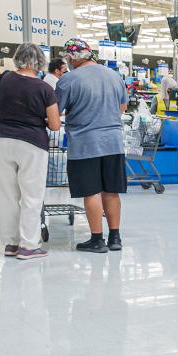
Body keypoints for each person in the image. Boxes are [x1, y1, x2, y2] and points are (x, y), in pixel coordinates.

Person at [55, 38, 129, 253]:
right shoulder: (114, 75)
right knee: (111, 191)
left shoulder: (69, 80)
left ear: (71, 57)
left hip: (85, 143)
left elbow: (56, 111)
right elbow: (122, 107)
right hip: (113, 142)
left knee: (92, 192)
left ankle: (97, 239)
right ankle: (115, 238)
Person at [0, 44, 61, 260]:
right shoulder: (44, 89)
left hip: (0, 139)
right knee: (31, 195)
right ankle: (28, 245)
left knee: (6, 195)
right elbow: (55, 125)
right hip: (32, 144)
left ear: (18, 59)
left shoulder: (3, 79)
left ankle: (11, 243)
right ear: (38, 62)